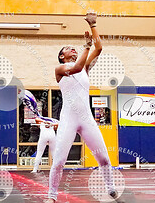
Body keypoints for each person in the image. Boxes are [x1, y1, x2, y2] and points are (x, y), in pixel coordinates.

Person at [47, 12, 116, 202]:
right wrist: (86, 46)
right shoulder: (60, 69)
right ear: (62, 56)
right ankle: (51, 196)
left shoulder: (85, 67)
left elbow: (99, 48)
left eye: (74, 48)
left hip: (86, 118)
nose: (73, 49)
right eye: (68, 49)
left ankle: (111, 188)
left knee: (104, 158)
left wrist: (93, 25)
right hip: (68, 118)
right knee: (59, 161)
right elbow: (76, 68)